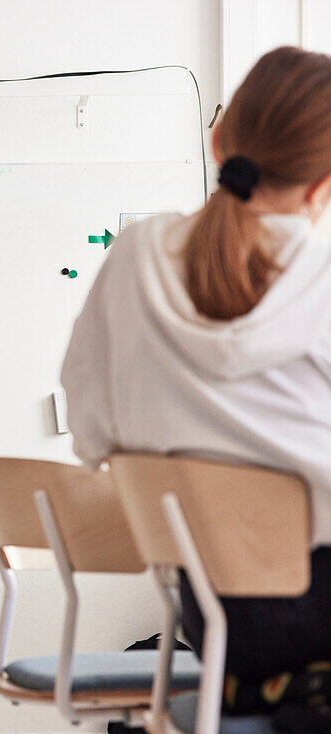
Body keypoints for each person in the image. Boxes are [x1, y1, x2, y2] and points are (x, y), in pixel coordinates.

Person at [61, 46, 331, 725]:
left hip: (216, 626)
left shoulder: (134, 259)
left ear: (219, 140)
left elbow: (92, 439)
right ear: (323, 184)